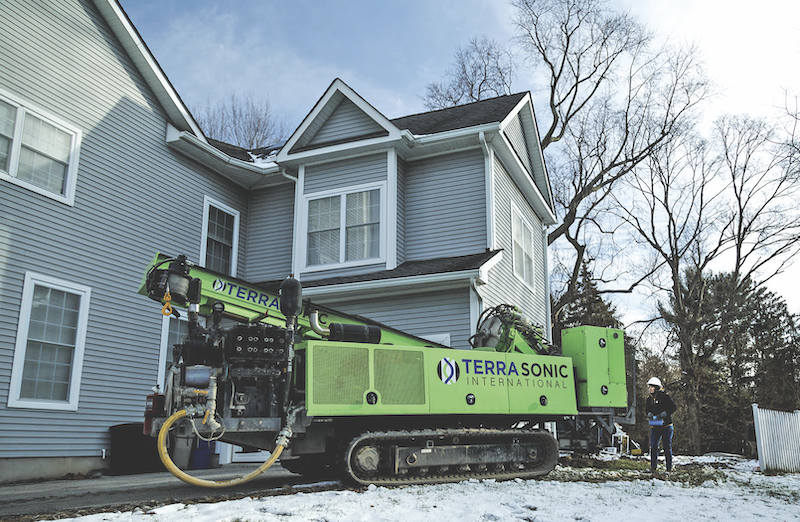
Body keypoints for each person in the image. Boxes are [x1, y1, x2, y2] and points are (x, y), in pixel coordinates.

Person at [646, 377, 677, 472]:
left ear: (656, 387)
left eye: (651, 387)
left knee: (667, 447)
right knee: (653, 446)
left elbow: (673, 407)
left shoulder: (665, 397)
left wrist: (666, 413)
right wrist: (649, 414)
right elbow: (646, 409)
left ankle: (669, 467)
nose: (650, 389)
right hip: (655, 426)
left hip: (666, 426)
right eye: (649, 387)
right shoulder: (649, 400)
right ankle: (653, 467)